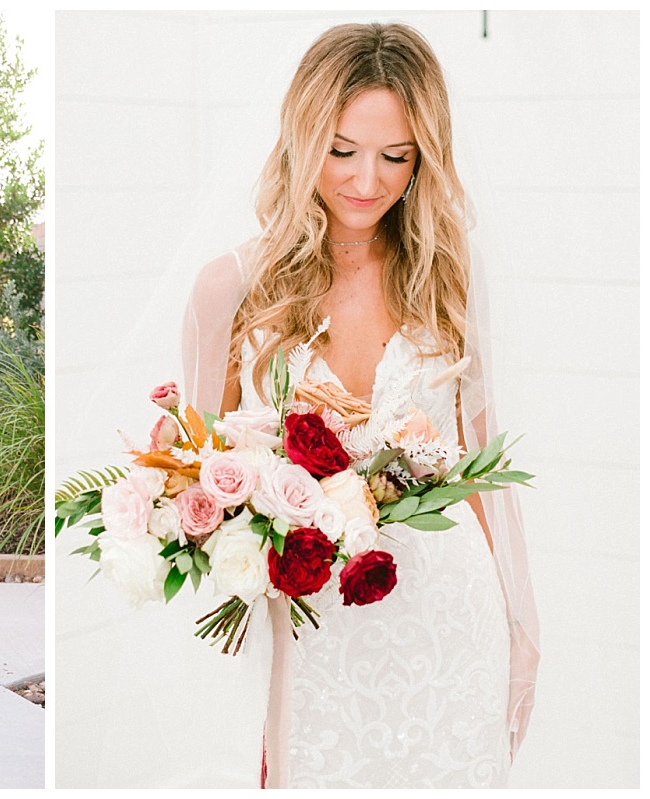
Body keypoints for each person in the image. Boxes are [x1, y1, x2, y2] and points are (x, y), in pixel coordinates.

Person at [181, 23, 539, 787]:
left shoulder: (448, 276)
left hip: (450, 627)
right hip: (314, 643)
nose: (366, 181)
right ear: (302, 135)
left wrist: (521, 626)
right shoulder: (231, 290)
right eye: (342, 150)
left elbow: (484, 468)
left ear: (423, 159)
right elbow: (198, 486)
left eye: (396, 156)